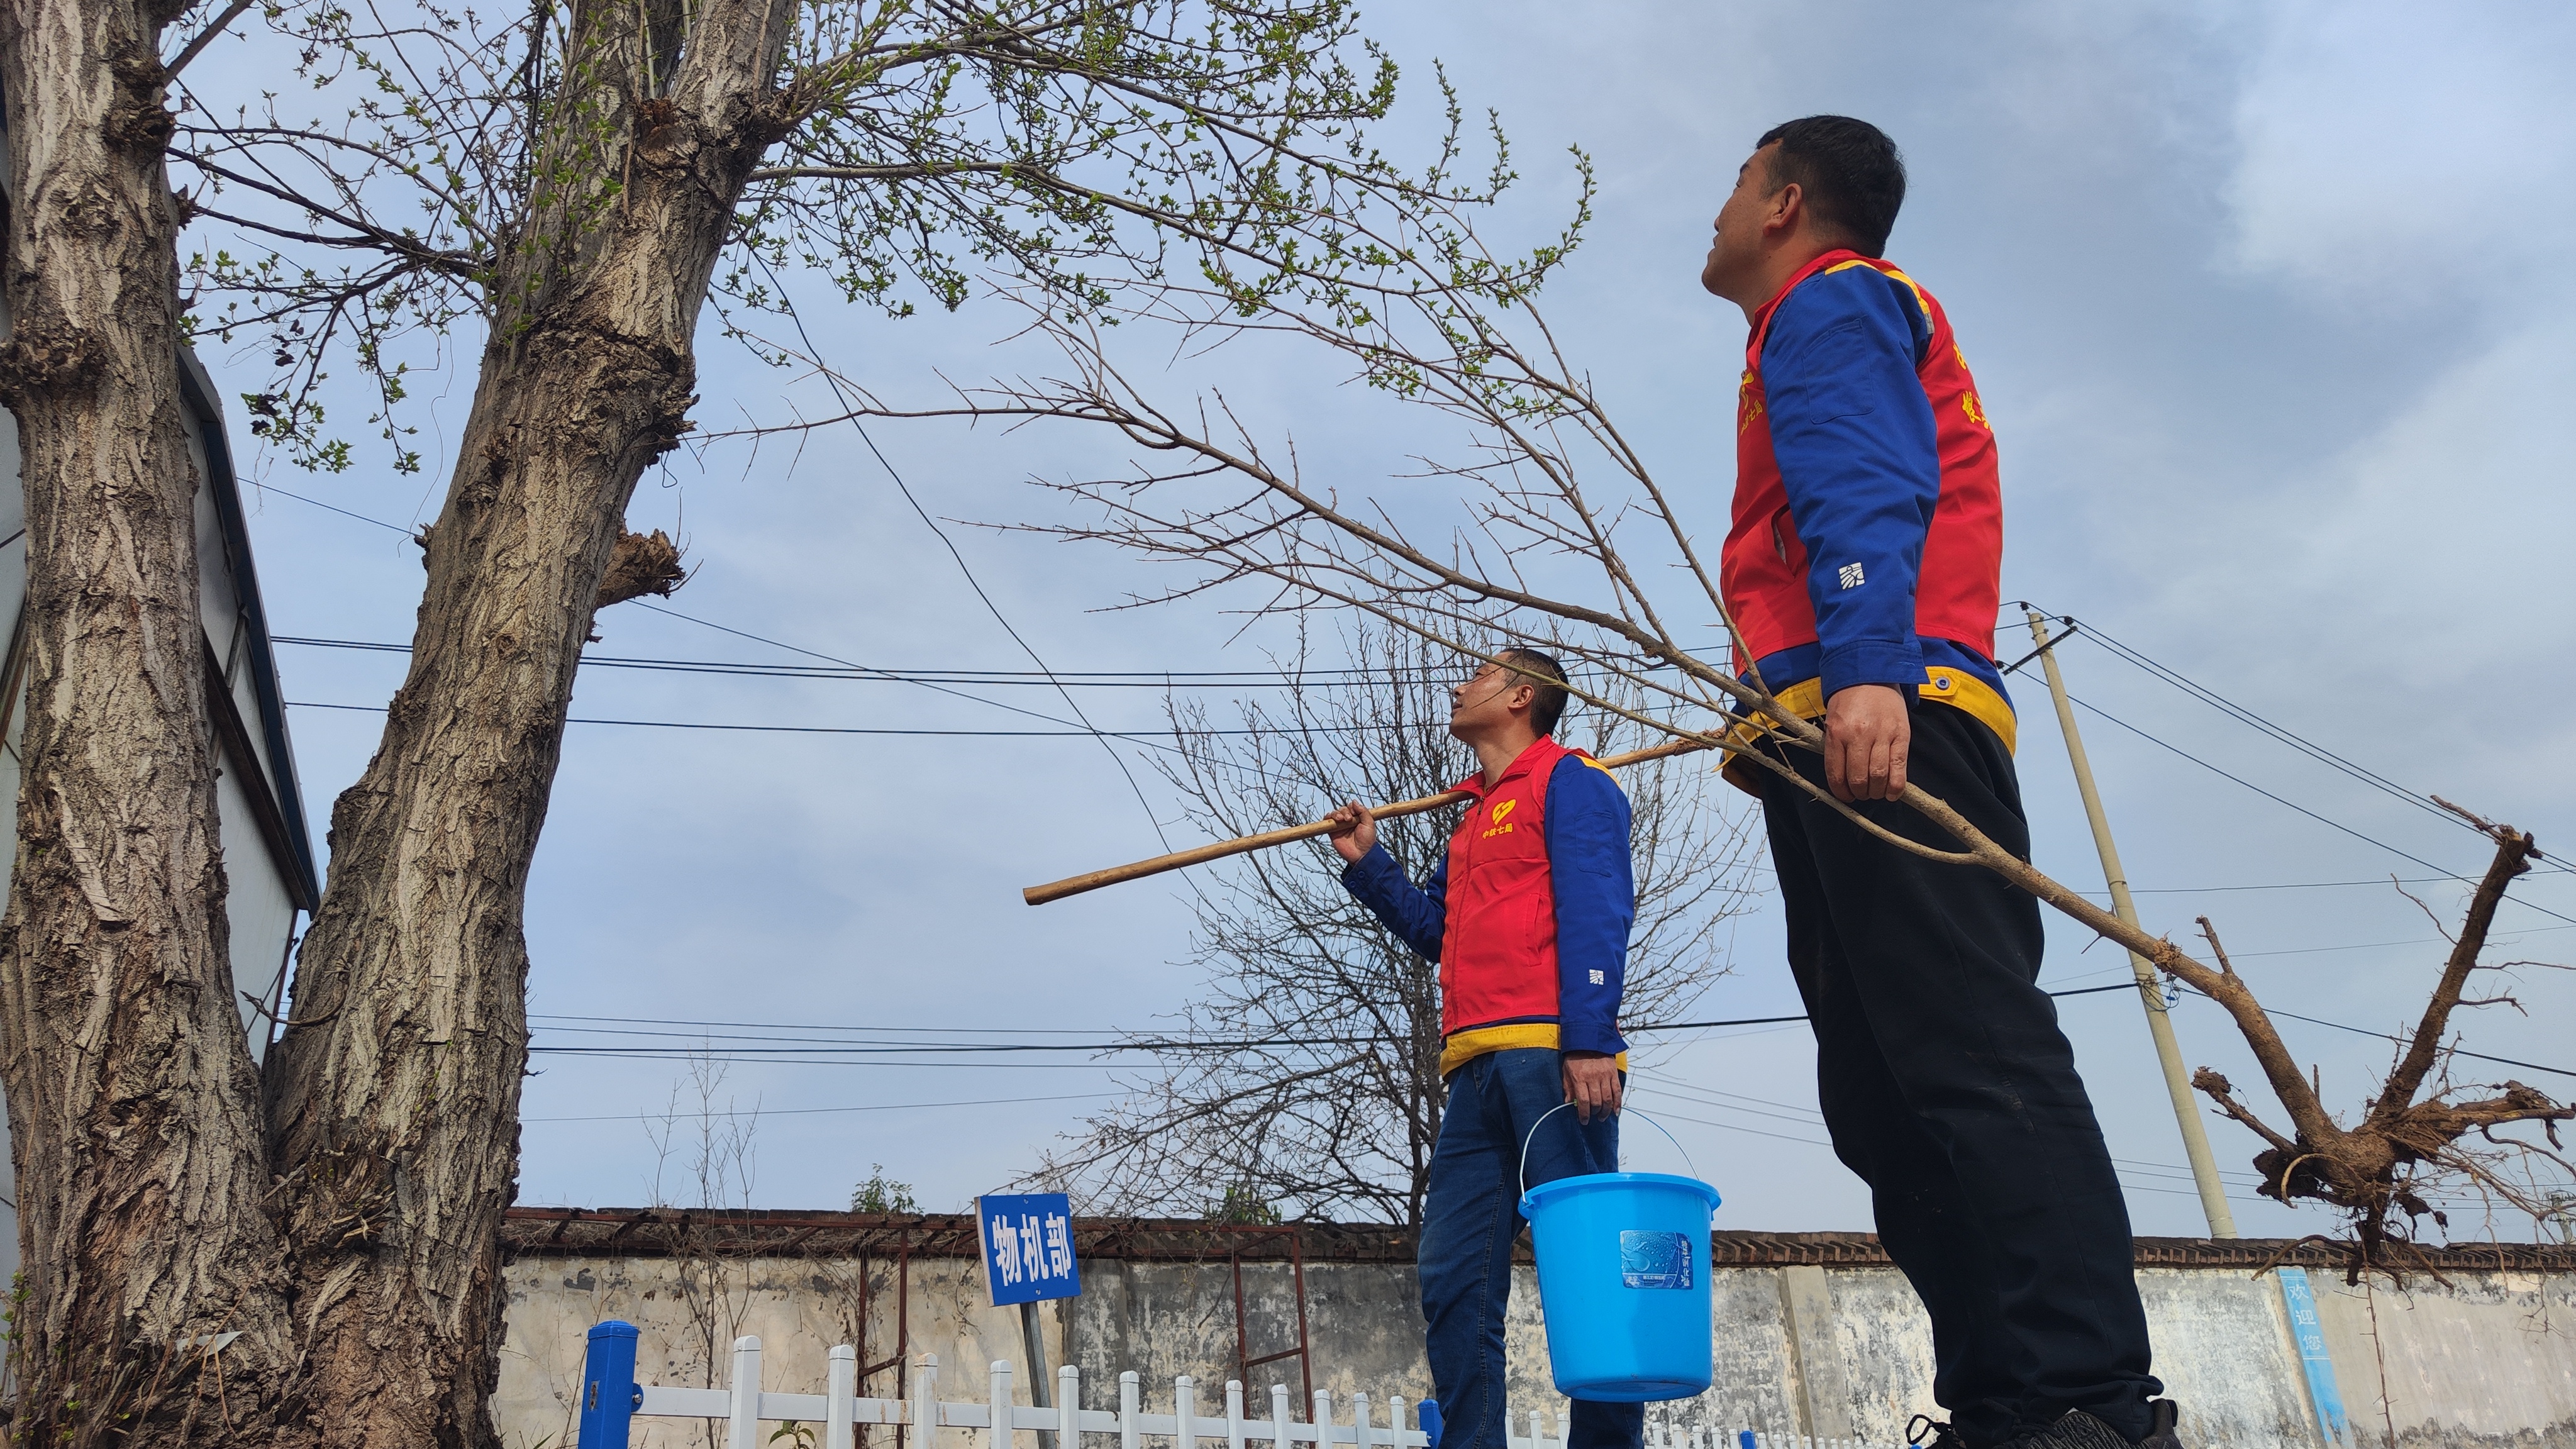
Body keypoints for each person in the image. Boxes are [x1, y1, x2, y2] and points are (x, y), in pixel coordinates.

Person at [1697, 116, 2182, 1449]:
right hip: (1829, 719)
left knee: (1968, 1059)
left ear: (1787, 202)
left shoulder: (1832, 299)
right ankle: (2000, 1404)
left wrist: (1860, 667)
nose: (1719, 210)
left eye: (1736, 185)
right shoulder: (1802, 316)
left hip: (1889, 709)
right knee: (1880, 1091)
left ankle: (2085, 1400)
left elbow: (1866, 481)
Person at [1323, 647, 1640, 1449]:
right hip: (1471, 1069)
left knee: (1585, 1272)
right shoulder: (1468, 823)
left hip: (1554, 1058)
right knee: (1454, 1279)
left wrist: (1591, 1040)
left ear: (1521, 697)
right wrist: (1370, 863)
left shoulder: (1574, 781)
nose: (1459, 686)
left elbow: (1599, 908)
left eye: (1480, 675)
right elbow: (1437, 932)